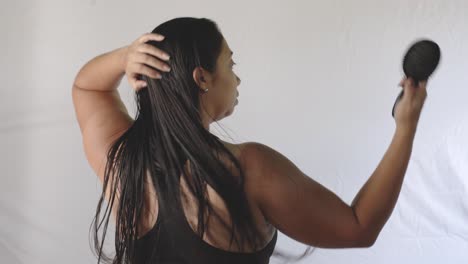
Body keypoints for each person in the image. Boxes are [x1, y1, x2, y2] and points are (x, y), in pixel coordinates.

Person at [72, 17, 427, 264]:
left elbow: (87, 87)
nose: (237, 79)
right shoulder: (247, 169)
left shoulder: (120, 162)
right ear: (202, 78)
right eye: (230, 64)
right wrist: (405, 128)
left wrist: (125, 56)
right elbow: (359, 227)